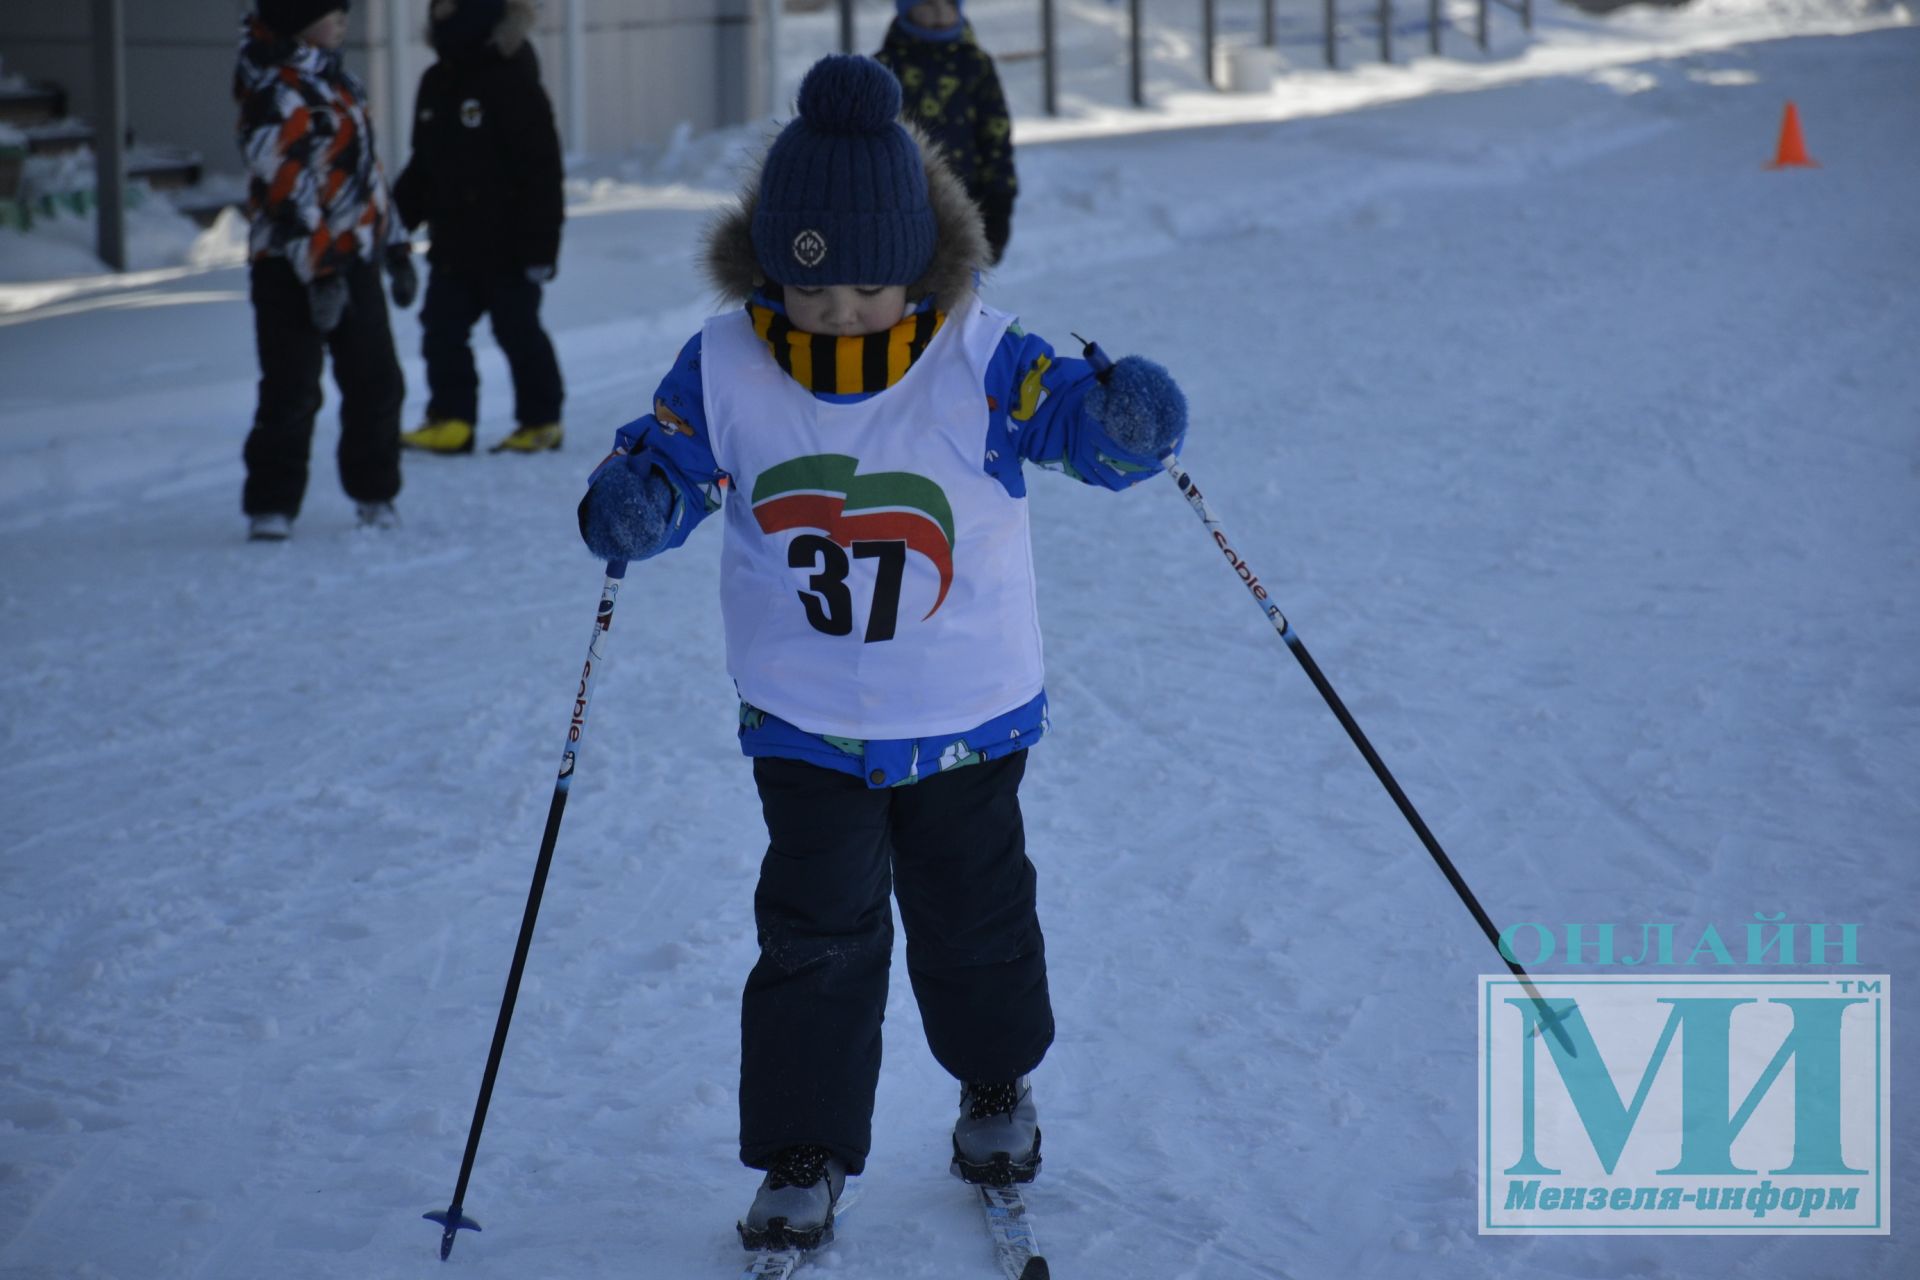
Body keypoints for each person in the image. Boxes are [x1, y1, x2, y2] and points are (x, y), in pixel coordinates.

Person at [575, 55, 1188, 1251]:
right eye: (809, 287)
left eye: (866, 283)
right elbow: (666, 458)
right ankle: (805, 1142)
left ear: (912, 263)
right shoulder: (724, 360)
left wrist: (1127, 421)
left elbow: (1087, 435)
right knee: (815, 931)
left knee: (977, 918)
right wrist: (636, 498)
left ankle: (995, 1081)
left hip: (964, 709)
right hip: (804, 717)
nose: (839, 309)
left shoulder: (983, 354)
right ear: (771, 268)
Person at [235, 0, 412, 541]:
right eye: (330, 10)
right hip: (289, 266)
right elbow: (285, 188)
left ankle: (374, 493)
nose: (343, 20)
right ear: (296, 18)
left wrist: (396, 244)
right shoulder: (273, 88)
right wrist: (321, 270)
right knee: (292, 389)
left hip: (353, 258)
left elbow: (366, 176)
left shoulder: (341, 82)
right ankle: (272, 504)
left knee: (377, 381)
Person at [392, 0, 566, 455]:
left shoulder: (511, 78)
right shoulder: (436, 82)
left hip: (511, 246)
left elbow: (542, 171)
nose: (439, 13)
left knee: (518, 330)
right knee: (441, 330)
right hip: (452, 244)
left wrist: (541, 249)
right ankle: (451, 420)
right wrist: (394, 222)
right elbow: (423, 166)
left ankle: (541, 420)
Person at [874, 0, 1017, 264]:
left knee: (957, 285)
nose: (940, 11)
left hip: (966, 203)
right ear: (907, 9)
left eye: (949, 3)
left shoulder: (976, 65)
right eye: (928, 3)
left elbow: (995, 137)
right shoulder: (885, 67)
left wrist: (1000, 199)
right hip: (901, 205)